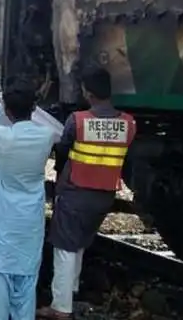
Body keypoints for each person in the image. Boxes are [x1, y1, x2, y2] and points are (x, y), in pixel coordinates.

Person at [37, 66, 136, 319]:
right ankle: (72, 288)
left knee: (64, 246)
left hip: (76, 191)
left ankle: (60, 307)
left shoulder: (78, 121)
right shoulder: (128, 124)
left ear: (88, 93)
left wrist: (59, 176)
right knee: (79, 242)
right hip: (104, 194)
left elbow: (63, 149)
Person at [0, 77, 56, 319]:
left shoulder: (3, 136)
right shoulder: (46, 135)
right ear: (33, 108)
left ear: (8, 111)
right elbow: (32, 114)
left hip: (4, 224)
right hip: (30, 225)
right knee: (26, 286)